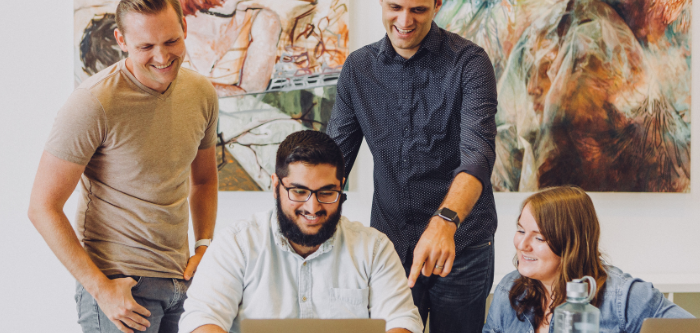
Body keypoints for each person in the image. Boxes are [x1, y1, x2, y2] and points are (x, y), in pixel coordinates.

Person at [27, 1, 219, 332]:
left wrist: (204, 245)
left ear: (185, 30)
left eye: (171, 41)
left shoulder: (201, 93)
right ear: (121, 40)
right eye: (146, 46)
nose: (162, 57)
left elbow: (204, 181)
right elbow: (42, 207)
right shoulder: (93, 102)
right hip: (122, 288)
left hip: (181, 283)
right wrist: (100, 288)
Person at [326, 0, 498, 331]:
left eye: (418, 9)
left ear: (437, 4)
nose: (405, 20)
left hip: (462, 244)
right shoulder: (359, 69)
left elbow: (478, 154)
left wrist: (444, 222)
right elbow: (334, 159)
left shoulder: (469, 63)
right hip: (390, 247)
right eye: (395, 7)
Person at [178, 130, 423, 333]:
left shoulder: (374, 248)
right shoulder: (237, 244)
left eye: (327, 192)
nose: (312, 207)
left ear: (341, 187)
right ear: (276, 186)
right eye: (298, 191)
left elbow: (402, 320)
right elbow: (201, 318)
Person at [483, 186, 694, 333]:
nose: (522, 244)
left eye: (539, 237)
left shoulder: (622, 297)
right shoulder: (508, 291)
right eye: (521, 230)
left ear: (570, 244)